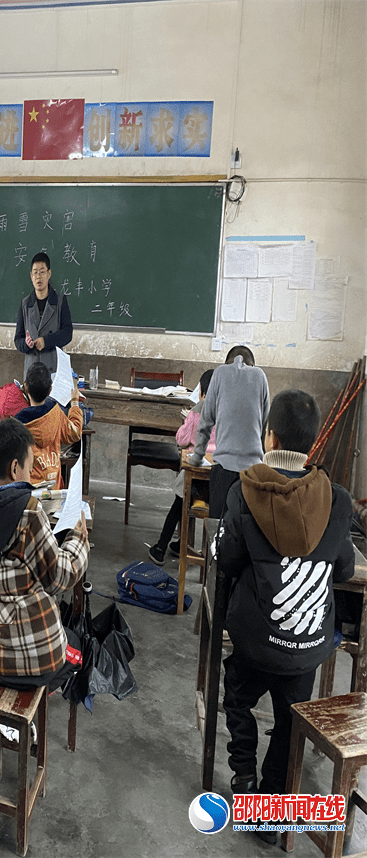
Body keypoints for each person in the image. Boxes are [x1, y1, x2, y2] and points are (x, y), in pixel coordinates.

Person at [217, 389, 354, 840]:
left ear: (268, 434)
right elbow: (346, 569)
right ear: (312, 444)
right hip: (308, 645)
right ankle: (272, 809)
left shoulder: (243, 491)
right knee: (291, 717)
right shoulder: (337, 500)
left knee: (237, 697)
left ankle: (244, 782)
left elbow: (228, 561)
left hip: (256, 642)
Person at [0, 419, 89, 691]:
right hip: (32, 659)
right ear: (15, 467)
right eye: (29, 468)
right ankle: (31, 716)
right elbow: (60, 578)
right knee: (78, 646)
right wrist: (78, 538)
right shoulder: (28, 512)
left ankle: (5, 723)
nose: (31, 476)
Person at [186, 346, 270, 518]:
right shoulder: (260, 376)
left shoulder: (219, 373)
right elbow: (265, 422)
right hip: (252, 471)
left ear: (226, 363)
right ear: (252, 365)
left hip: (223, 467)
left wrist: (197, 456)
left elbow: (206, 419)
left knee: (216, 527)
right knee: (245, 526)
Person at [148, 369, 216, 565]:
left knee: (178, 505)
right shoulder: (228, 411)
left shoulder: (197, 411)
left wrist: (187, 420)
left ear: (201, 390)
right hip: (214, 479)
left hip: (194, 474)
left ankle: (161, 547)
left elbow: (182, 440)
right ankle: (183, 545)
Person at [15, 362, 82, 489]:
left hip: (28, 496)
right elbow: (75, 433)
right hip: (53, 493)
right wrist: (74, 403)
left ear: (26, 388)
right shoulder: (56, 413)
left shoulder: (17, 423)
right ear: (50, 390)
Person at [14, 252, 73, 376]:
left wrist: (46, 341)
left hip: (53, 371)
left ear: (49, 273)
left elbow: (67, 334)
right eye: (35, 272)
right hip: (31, 372)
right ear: (31, 276)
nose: (38, 276)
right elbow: (17, 340)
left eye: (42, 271)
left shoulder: (60, 302)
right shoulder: (25, 304)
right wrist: (26, 343)